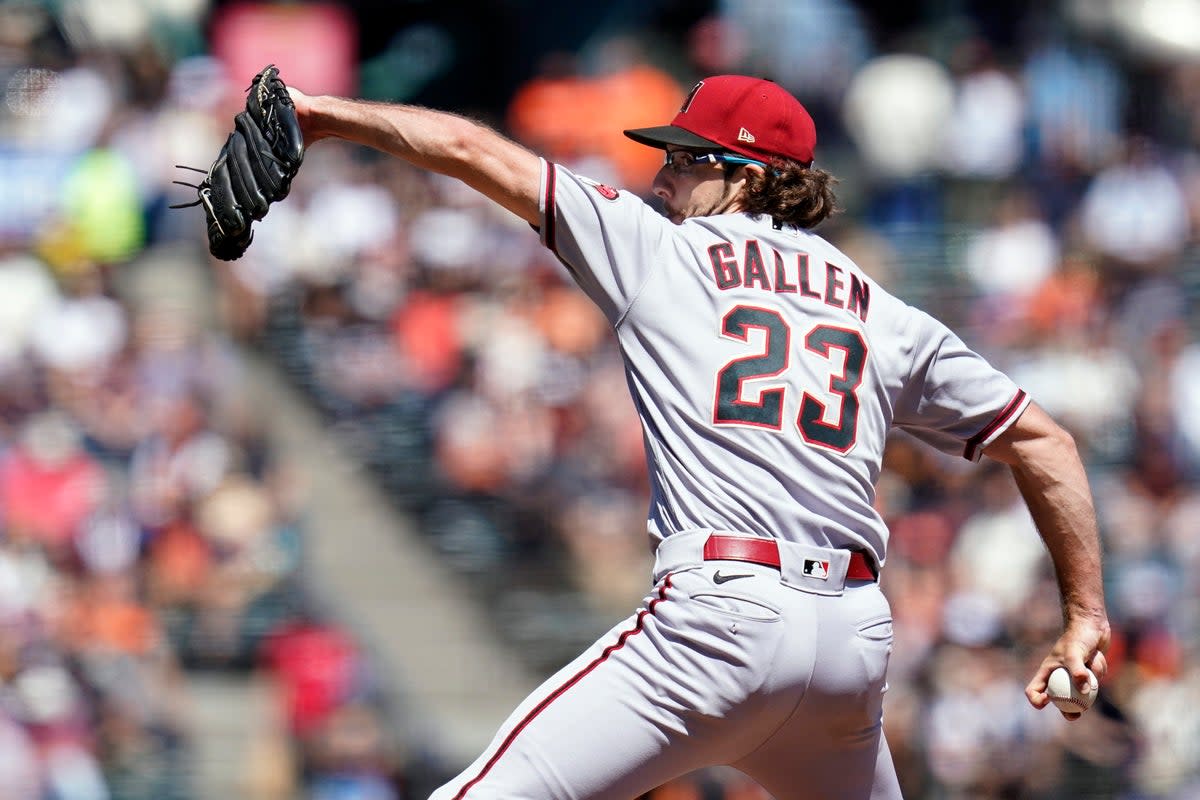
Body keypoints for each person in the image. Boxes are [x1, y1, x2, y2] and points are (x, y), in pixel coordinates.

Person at [284, 74, 1111, 799]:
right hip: (850, 643)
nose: (662, 178)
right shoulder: (882, 311)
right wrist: (1083, 616)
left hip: (722, 617)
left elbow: (473, 148)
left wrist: (322, 114)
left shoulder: (664, 254)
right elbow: (1047, 445)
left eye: (684, 159)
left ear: (745, 176)